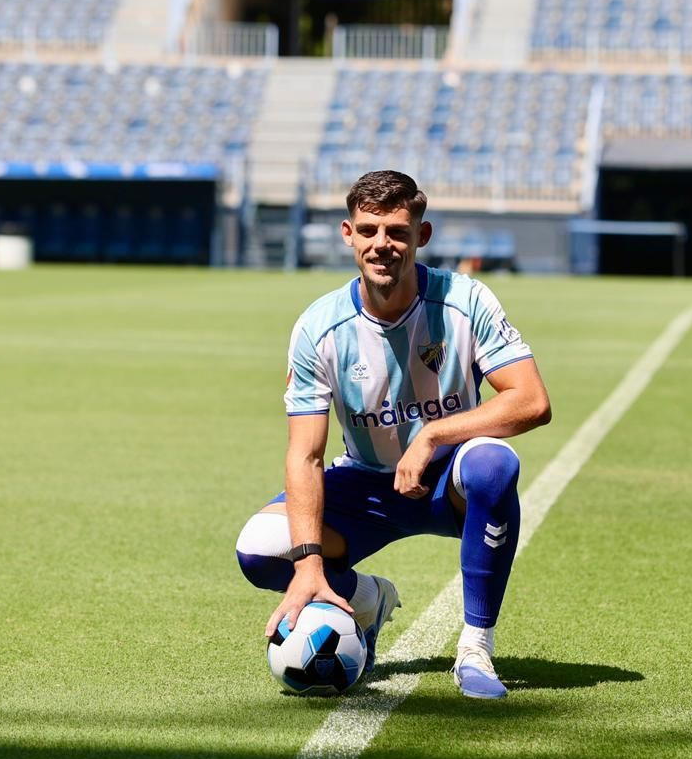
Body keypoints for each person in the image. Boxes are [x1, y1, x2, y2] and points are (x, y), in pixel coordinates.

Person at [234, 170, 552, 699]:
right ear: (348, 234)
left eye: (397, 232)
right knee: (260, 550)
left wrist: (431, 436)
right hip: (364, 483)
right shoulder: (319, 327)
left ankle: (476, 648)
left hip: (449, 480)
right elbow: (306, 454)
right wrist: (311, 566)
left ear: (420, 236)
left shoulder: (464, 301)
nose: (382, 244)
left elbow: (532, 401)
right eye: (369, 230)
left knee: (495, 463)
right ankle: (365, 600)